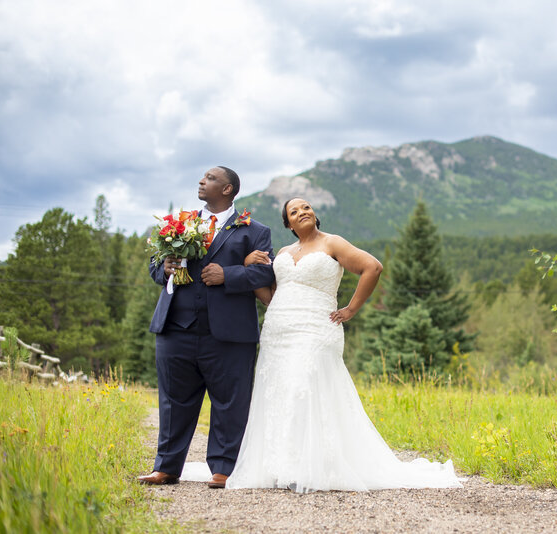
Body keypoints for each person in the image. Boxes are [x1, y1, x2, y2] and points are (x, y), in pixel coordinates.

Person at [224, 197, 462, 492]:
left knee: (304, 386)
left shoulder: (332, 243)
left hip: (316, 328)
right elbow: (267, 289)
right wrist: (248, 263)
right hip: (279, 329)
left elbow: (372, 267)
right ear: (288, 224)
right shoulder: (284, 252)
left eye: (306, 207)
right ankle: (281, 465)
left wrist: (351, 309)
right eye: (294, 212)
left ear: (315, 214)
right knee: (279, 390)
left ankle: (312, 465)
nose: (303, 212)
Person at [138, 166, 275, 489]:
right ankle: (166, 467)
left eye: (210, 178)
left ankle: (224, 467)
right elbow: (155, 266)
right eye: (203, 177)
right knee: (173, 400)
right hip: (176, 328)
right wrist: (165, 267)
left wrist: (228, 275)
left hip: (229, 333)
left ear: (227, 189)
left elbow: (265, 275)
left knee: (231, 401)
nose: (202, 181)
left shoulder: (254, 231)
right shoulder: (180, 224)